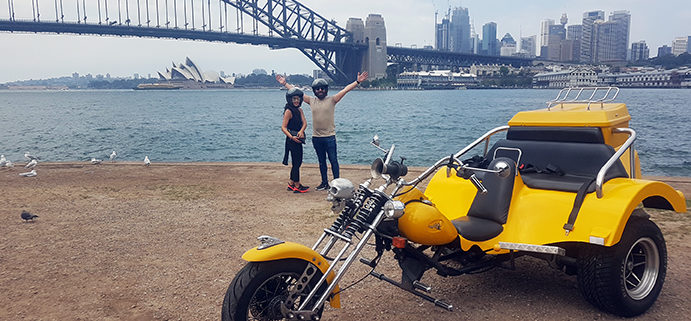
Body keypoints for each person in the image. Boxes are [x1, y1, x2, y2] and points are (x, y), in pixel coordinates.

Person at [276, 72, 368, 190]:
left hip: (330, 137)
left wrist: (358, 82)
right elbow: (297, 92)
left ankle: (336, 183)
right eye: (317, 89)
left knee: (333, 160)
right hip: (317, 137)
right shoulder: (311, 101)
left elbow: (345, 90)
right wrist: (285, 84)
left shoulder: (332, 100)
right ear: (314, 90)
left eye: (322, 88)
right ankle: (324, 183)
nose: (320, 90)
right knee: (321, 162)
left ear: (326, 90)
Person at [282, 88, 309, 193]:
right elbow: (283, 127)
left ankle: (291, 183)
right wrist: (291, 137)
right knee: (297, 163)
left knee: (297, 162)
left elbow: (305, 123)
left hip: (298, 137)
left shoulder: (299, 110)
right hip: (291, 139)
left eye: (298, 99)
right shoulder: (288, 111)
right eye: (294, 99)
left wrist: (301, 131)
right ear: (290, 100)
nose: (296, 101)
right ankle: (297, 185)